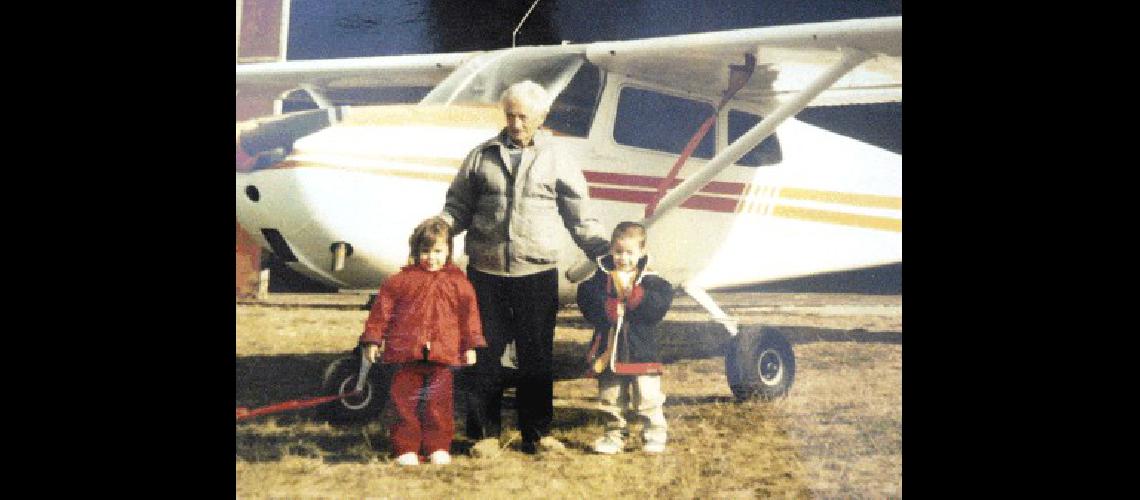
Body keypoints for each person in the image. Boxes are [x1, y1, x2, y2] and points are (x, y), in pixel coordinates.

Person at [440, 80, 610, 456]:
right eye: (511, 115)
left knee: (536, 356)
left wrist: (602, 249)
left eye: (524, 117)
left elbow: (580, 215)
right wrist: (439, 231)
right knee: (484, 355)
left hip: (536, 273)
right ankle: (483, 435)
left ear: (541, 117)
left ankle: (538, 434)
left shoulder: (558, 158)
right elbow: (457, 207)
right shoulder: (481, 156)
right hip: (486, 273)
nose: (516, 124)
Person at [358, 217, 486, 466]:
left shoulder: (459, 284)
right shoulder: (398, 282)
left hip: (443, 356)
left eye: (437, 251)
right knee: (405, 404)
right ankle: (406, 448)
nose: (431, 257)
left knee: (438, 405)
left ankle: (437, 447)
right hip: (406, 355)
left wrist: (471, 345)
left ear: (448, 250)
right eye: (424, 251)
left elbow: (469, 317)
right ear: (415, 252)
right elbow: (381, 313)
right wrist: (373, 340)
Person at [576, 221, 674, 454]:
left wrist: (635, 298)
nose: (623, 258)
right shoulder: (601, 277)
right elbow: (586, 297)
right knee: (610, 396)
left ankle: (654, 434)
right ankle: (614, 435)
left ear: (642, 253)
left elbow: (659, 305)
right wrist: (607, 307)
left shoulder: (652, 281)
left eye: (630, 253)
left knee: (647, 396)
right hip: (610, 350)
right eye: (618, 252)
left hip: (641, 349)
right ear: (611, 250)